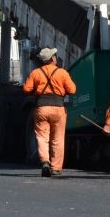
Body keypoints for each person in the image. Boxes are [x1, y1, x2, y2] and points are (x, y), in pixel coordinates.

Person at [22, 47, 76, 177]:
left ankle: (45, 162)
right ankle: (56, 168)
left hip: (41, 108)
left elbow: (26, 89)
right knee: (57, 138)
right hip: (58, 108)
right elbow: (72, 90)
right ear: (52, 59)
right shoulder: (62, 72)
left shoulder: (36, 73)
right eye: (55, 55)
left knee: (42, 137)